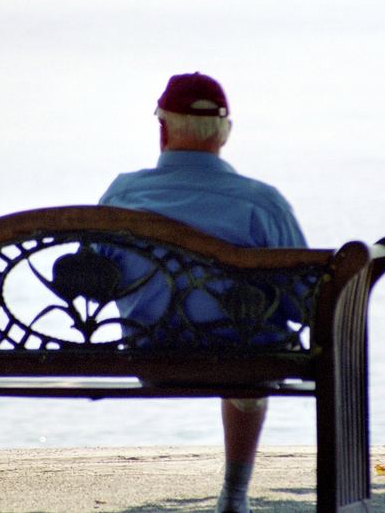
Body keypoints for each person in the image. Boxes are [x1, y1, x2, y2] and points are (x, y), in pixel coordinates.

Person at [99, 72, 307, 513]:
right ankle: (234, 495)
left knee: (245, 341)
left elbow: (89, 278)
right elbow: (302, 303)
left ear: (162, 130)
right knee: (253, 339)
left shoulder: (123, 194)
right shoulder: (261, 203)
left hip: (151, 354)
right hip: (244, 364)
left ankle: (233, 494)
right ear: (224, 134)